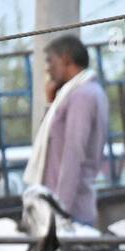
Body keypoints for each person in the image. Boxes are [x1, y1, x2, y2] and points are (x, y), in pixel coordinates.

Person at [23, 34, 108, 226]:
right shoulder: (79, 93)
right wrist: (51, 103)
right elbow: (55, 139)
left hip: (70, 212)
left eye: (50, 62)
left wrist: (61, 210)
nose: (48, 70)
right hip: (65, 208)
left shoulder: (82, 95)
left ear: (66, 59)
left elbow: (74, 152)